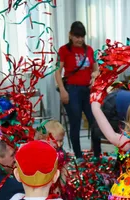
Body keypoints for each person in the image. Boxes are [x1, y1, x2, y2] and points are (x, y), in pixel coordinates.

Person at [55, 21, 100, 161]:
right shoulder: (64, 50)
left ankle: (97, 154)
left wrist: (95, 76)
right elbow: (57, 72)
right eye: (76, 36)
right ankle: (79, 156)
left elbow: (96, 69)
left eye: (82, 36)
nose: (79, 39)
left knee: (95, 121)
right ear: (70, 35)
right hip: (72, 90)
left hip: (88, 90)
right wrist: (62, 90)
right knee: (75, 122)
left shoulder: (89, 50)